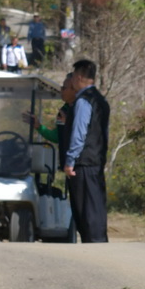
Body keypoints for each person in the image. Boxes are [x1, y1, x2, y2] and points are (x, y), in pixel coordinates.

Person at [57, 59, 111, 244]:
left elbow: (79, 134)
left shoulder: (83, 101)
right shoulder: (100, 100)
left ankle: (94, 244)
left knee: (85, 210)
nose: (70, 81)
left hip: (83, 163)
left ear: (79, 77)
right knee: (95, 206)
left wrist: (70, 160)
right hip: (96, 160)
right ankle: (97, 241)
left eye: (72, 77)